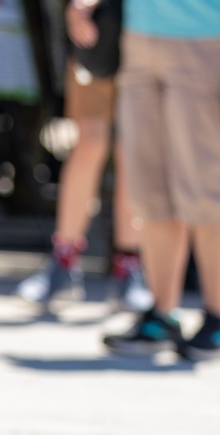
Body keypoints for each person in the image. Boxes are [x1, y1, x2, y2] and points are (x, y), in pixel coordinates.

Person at [15, 0, 152, 312]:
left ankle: (129, 266)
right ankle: (63, 260)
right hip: (101, 24)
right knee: (90, 141)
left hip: (150, 25)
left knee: (131, 145)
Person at [102, 0, 220, 359]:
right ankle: (162, 315)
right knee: (149, 188)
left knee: (206, 185)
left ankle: (217, 317)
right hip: (138, 35)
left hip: (204, 36)